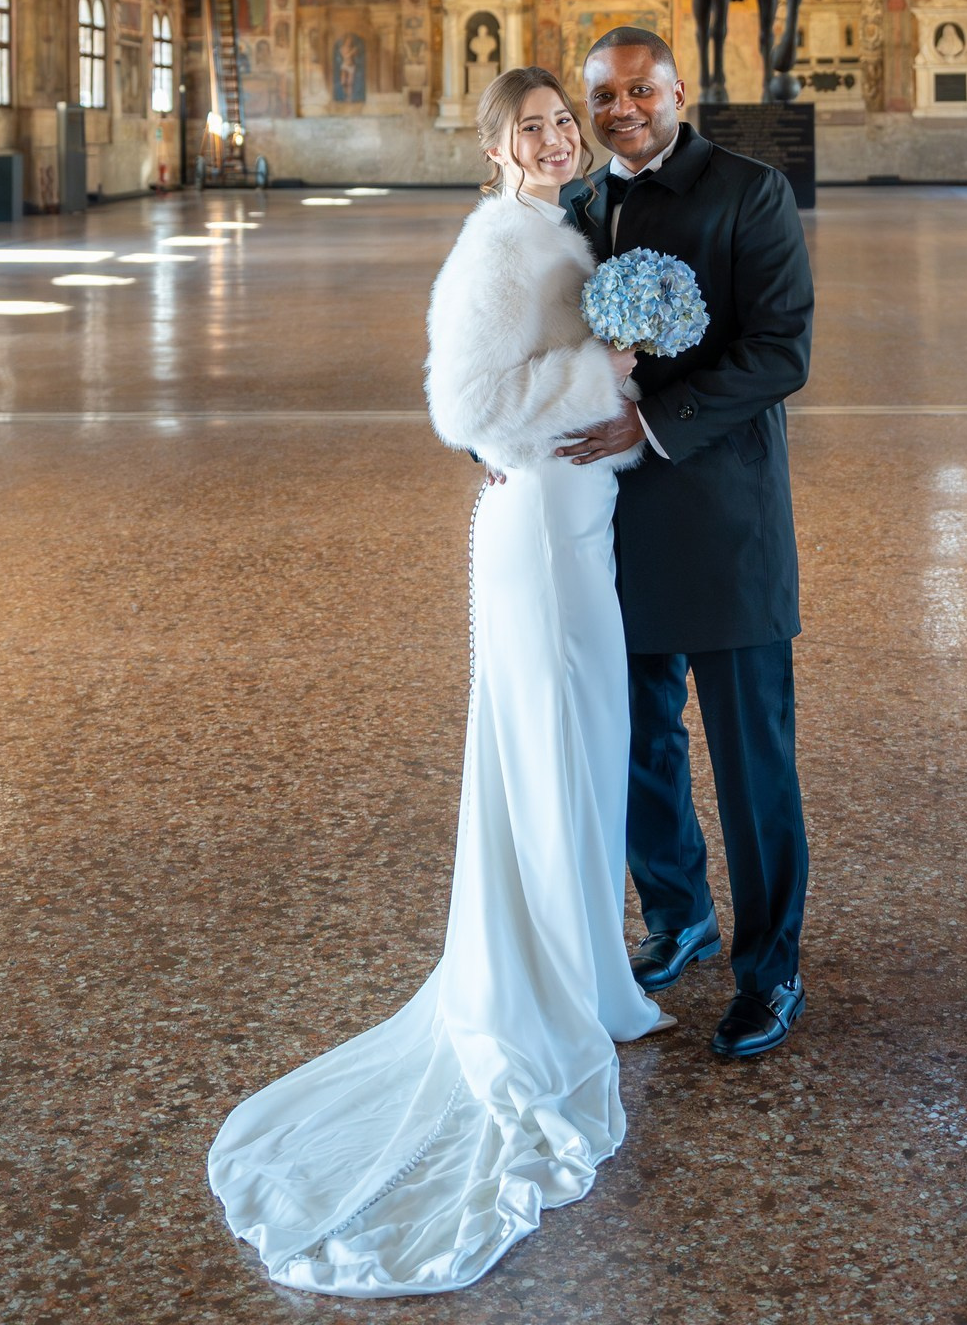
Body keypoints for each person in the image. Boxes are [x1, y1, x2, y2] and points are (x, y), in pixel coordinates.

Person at [209, 67, 666, 1297]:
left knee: (584, 734)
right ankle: (541, 983)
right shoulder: (495, 243)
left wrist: (606, 366)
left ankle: (586, 966)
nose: (558, 137)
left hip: (580, 522)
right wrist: (603, 373)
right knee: (543, 740)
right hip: (533, 527)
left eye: (565, 121)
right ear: (495, 144)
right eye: (534, 127)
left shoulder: (561, 229)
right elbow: (461, 405)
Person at [559, 27, 815, 1061]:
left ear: (677, 89)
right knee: (635, 742)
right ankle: (678, 914)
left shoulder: (748, 191)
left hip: (722, 517)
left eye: (638, 90)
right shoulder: (575, 206)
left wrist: (653, 422)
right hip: (602, 523)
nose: (620, 109)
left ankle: (770, 967)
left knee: (751, 755)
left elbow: (779, 349)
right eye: (602, 96)